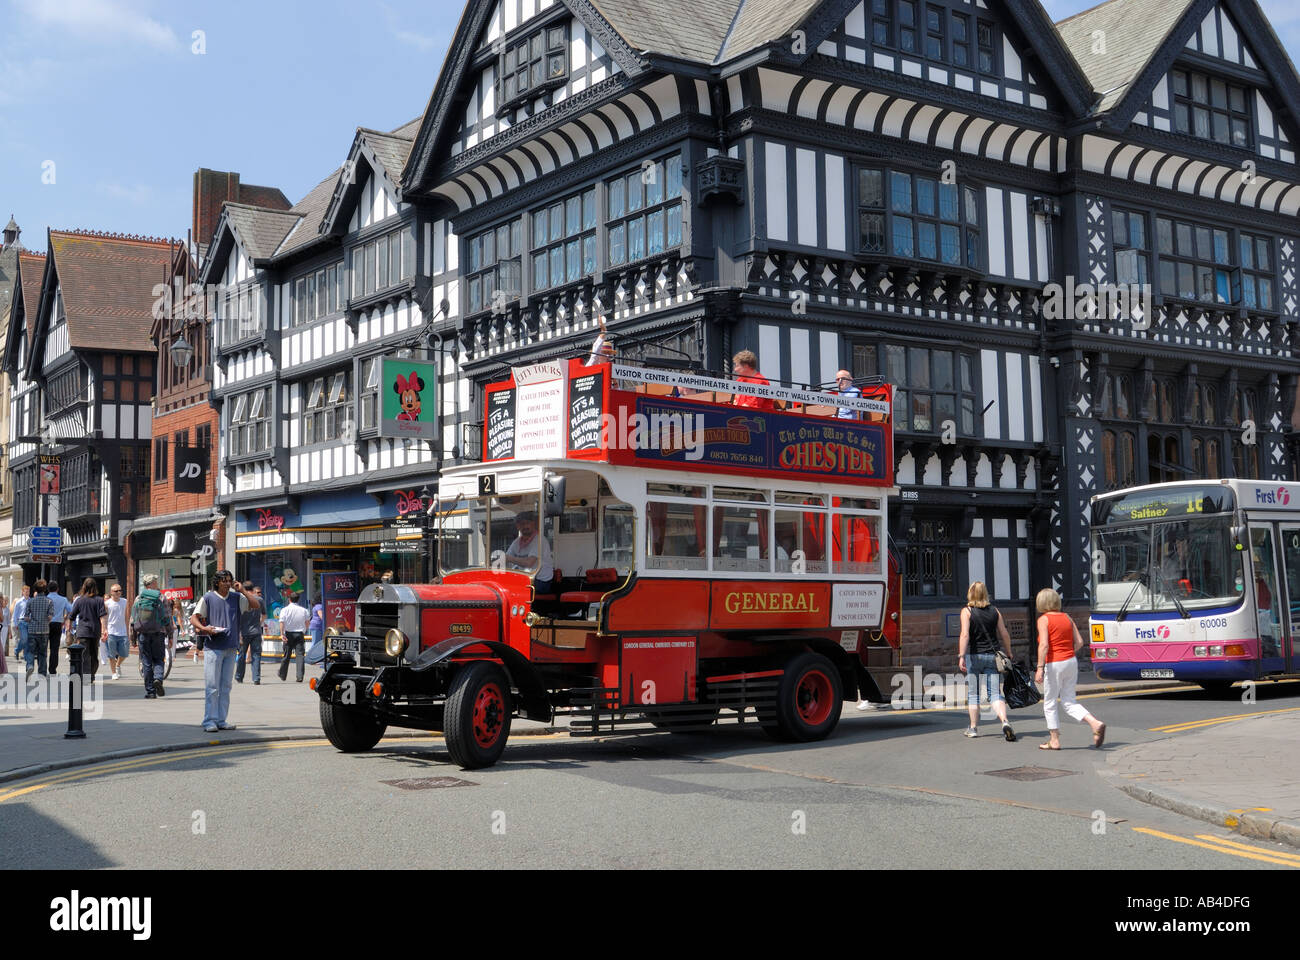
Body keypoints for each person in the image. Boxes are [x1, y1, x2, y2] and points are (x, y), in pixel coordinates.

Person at [1034, 588, 1106, 750]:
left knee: (1050, 702)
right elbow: (1079, 642)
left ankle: (1054, 740)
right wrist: (1068, 654)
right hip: (1070, 661)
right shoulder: (1066, 617)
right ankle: (1094, 723)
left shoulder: (1043, 620)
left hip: (1054, 663)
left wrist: (1039, 667)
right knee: (1068, 701)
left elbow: (1044, 644)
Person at [191, 571, 256, 731]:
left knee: (226, 686)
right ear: (217, 582)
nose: (227, 583)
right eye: (224, 581)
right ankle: (209, 721)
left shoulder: (236, 597)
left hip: (231, 646)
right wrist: (205, 628)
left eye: (229, 580)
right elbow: (194, 618)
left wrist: (242, 590)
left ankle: (221, 720)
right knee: (212, 686)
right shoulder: (208, 598)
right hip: (213, 648)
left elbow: (255, 605)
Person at [955, 581, 1017, 741]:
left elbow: (964, 635)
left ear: (970, 593)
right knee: (995, 693)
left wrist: (961, 655)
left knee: (973, 694)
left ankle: (973, 728)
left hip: (975, 657)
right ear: (985, 593)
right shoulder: (995, 611)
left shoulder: (967, 611)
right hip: (992, 657)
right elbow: (1004, 633)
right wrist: (1009, 652)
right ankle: (1005, 721)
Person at [130, 575, 173, 698]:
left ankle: (150, 691)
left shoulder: (139, 598)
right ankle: (158, 679)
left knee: (146, 661)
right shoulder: (161, 597)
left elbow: (132, 620)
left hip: (143, 634)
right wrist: (170, 635)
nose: (157, 584)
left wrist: (132, 638)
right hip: (159, 633)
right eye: (155, 582)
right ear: (151, 584)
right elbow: (167, 618)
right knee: (159, 659)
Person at [66, 578, 108, 686]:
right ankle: (91, 675)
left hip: (83, 631)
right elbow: (102, 617)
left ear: (84, 586)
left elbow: (71, 616)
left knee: (84, 655)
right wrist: (104, 630)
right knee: (94, 654)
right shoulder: (99, 600)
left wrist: (68, 629)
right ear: (95, 587)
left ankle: (86, 675)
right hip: (95, 631)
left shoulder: (79, 600)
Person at [505, 511, 554, 595]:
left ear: (533, 523)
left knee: (511, 588)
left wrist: (509, 559)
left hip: (542, 582)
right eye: (521, 524)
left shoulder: (539, 540)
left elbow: (529, 563)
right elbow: (505, 558)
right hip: (527, 579)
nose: (525, 526)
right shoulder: (517, 542)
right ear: (517, 526)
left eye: (527, 523)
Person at [234, 582, 266, 685]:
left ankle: (239, 676)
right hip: (256, 631)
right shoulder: (259, 600)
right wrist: (258, 623)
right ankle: (256, 678)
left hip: (243, 632)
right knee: (256, 655)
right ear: (252, 589)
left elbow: (236, 618)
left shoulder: (239, 599)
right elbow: (264, 615)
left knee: (242, 655)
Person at [23, 580, 54, 678]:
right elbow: (50, 617)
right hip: (44, 630)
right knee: (43, 653)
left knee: (30, 651)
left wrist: (32, 619)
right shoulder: (49, 601)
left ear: (35, 589)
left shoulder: (30, 601)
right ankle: (42, 673)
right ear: (45, 589)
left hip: (32, 630)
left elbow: (26, 617)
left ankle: (30, 666)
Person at [277, 592, 309, 682]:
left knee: (287, 655)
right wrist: (304, 630)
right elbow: (307, 622)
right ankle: (300, 676)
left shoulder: (285, 610)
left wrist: (282, 634)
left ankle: (282, 674)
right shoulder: (304, 610)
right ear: (298, 600)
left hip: (288, 633)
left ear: (289, 599)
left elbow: (282, 622)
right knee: (300, 655)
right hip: (299, 634)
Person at [103, 584, 129, 680]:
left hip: (122, 631)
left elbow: (126, 617)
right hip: (111, 631)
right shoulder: (107, 603)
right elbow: (104, 618)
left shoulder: (125, 601)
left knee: (125, 653)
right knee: (111, 654)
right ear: (111, 592)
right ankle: (114, 672)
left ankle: (118, 665)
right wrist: (104, 630)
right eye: (116, 591)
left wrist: (128, 630)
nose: (118, 592)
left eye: (120, 590)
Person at [46, 582, 72, 674]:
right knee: (54, 648)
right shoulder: (63, 599)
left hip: (46, 623)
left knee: (43, 647)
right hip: (57, 623)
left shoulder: (46, 599)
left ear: (48, 589)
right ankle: (52, 669)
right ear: (57, 589)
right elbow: (71, 609)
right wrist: (66, 617)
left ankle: (43, 668)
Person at [12, 586, 30, 673]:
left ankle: (25, 655)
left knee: (27, 640)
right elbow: (15, 614)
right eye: (25, 591)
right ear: (22, 592)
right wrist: (15, 624)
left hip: (29, 622)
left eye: (28, 591)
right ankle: (17, 650)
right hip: (21, 621)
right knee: (24, 638)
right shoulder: (19, 602)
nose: (27, 592)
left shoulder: (31, 600)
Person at [305, 598, 325, 668]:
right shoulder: (319, 606)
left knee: (317, 642)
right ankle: (311, 659)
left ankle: (315, 659)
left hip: (316, 626)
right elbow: (321, 616)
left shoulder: (316, 606)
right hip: (317, 626)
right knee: (315, 643)